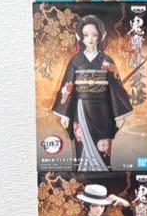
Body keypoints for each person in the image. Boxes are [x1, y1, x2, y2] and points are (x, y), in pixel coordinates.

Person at [52, 13, 133, 170]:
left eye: (94, 35)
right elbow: (68, 86)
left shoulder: (107, 61)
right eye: (86, 35)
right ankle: (84, 175)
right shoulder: (75, 61)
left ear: (101, 36)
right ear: (80, 36)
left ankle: (104, 174)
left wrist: (119, 115)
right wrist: (65, 114)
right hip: (81, 108)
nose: (90, 39)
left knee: (103, 147)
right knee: (82, 146)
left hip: (103, 111)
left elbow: (116, 88)